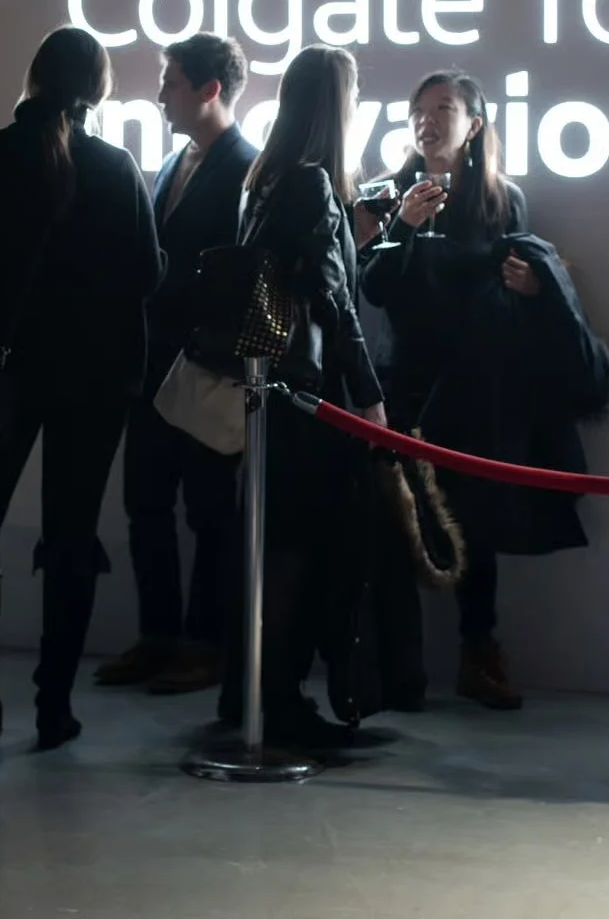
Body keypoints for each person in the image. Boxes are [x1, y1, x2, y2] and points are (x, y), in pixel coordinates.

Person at [0, 26, 163, 750]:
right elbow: (148, 277)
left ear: (35, 78)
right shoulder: (116, 168)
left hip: (0, 371)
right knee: (71, 539)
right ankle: (54, 705)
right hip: (95, 382)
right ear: (98, 89)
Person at [360, 71, 587, 712]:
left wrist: (532, 286)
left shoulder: (502, 198)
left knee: (474, 525)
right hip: (403, 382)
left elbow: (515, 273)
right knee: (393, 522)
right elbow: (372, 289)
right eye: (419, 109)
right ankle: (393, 668)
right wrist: (400, 224)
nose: (427, 120)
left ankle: (478, 654)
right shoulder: (387, 192)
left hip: (475, 386)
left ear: (474, 124)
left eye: (444, 109)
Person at [235, 44, 386, 747]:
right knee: (300, 551)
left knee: (276, 551)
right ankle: (281, 701)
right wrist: (370, 395)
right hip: (308, 402)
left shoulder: (265, 178)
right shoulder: (312, 184)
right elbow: (333, 303)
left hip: (272, 397)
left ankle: (257, 695)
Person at [96, 33, 255, 696]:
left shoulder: (246, 167)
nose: (160, 93)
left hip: (206, 370)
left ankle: (203, 644)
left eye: (171, 82)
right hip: (154, 369)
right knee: (146, 505)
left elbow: (234, 276)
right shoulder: (173, 164)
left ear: (208, 89)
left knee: (210, 514)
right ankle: (158, 636)